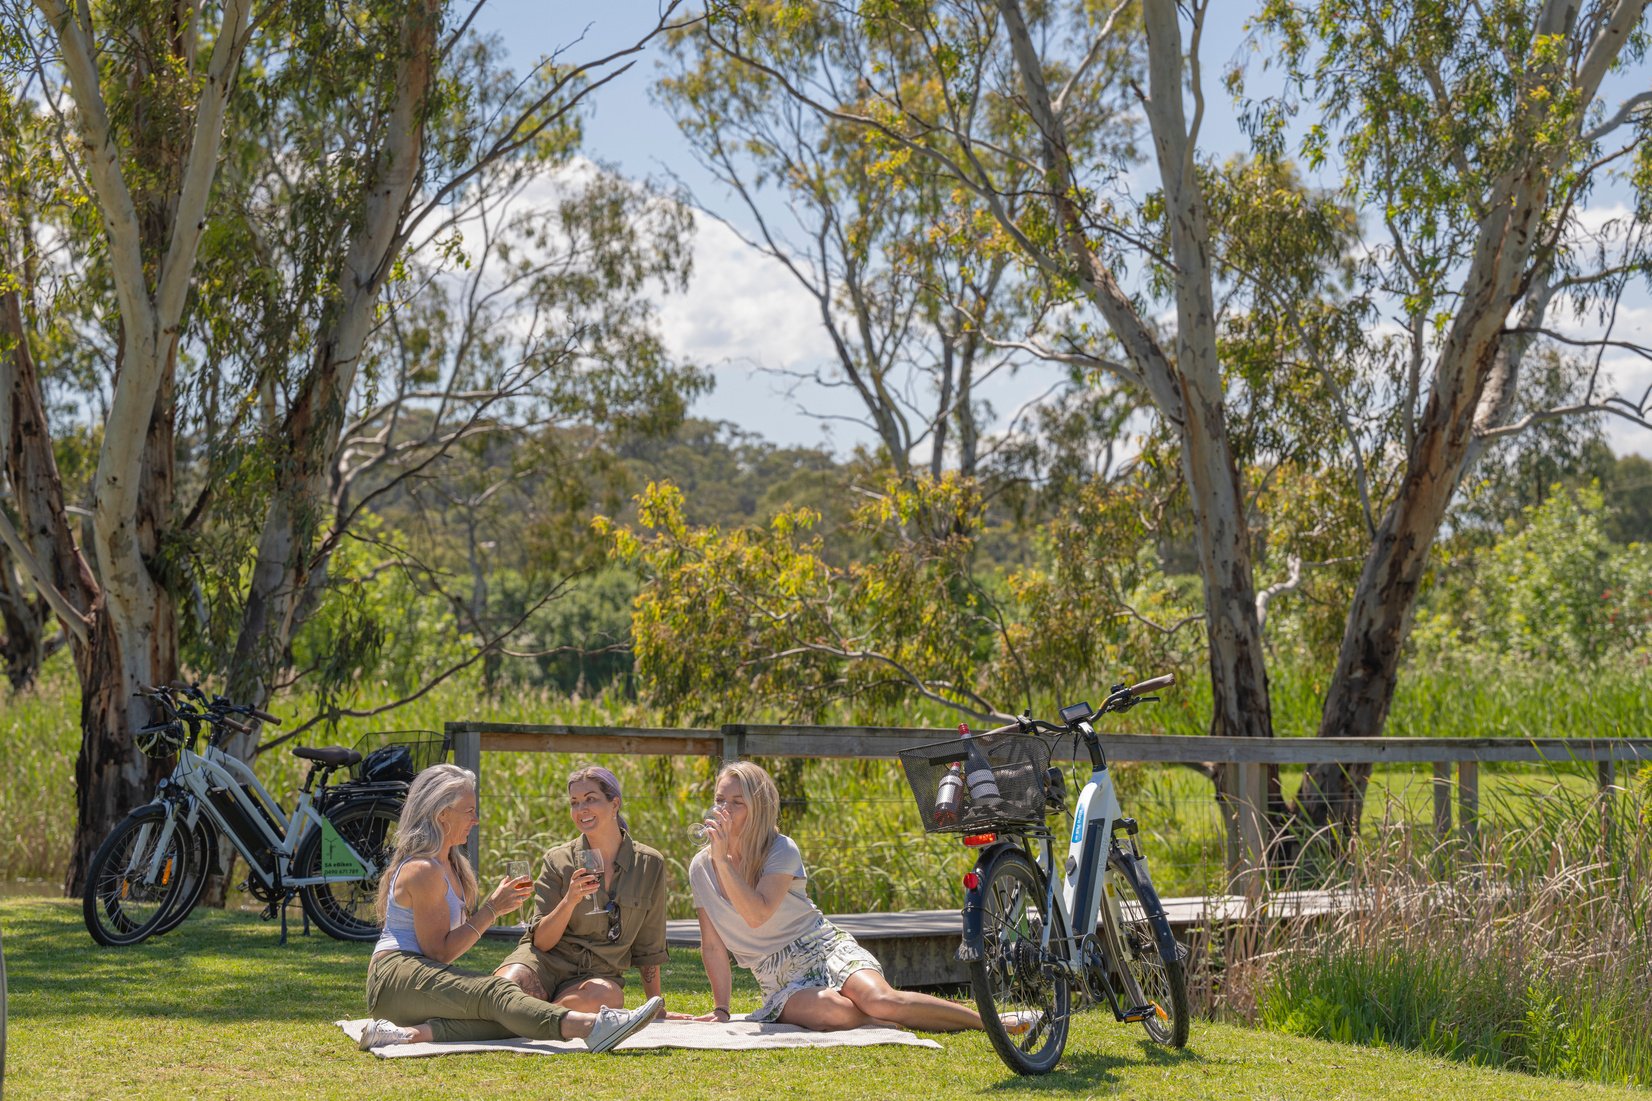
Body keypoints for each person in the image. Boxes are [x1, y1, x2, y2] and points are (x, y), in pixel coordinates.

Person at [688, 761, 1031, 1034]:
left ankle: (991, 1024)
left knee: (882, 999)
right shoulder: (701, 867)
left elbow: (757, 914)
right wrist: (721, 1009)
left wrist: (722, 860)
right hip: (774, 975)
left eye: (737, 802)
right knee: (830, 1011)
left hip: (821, 946)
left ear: (759, 808)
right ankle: (874, 1023)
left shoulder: (780, 849)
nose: (724, 810)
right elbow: (713, 945)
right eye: (720, 800)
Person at [357, 763, 662, 1051]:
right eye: (470, 811)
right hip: (396, 975)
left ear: (615, 804)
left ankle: (406, 1035)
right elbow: (440, 952)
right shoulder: (423, 869)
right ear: (443, 814)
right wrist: (492, 909)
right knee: (497, 996)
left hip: (418, 976)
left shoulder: (450, 864)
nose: (475, 820)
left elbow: (649, 944)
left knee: (503, 1009)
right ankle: (590, 1027)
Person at [493, 766, 670, 1014]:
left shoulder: (649, 864)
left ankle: (526, 1016)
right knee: (503, 987)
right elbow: (541, 942)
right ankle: (535, 1016)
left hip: (597, 977)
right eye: (574, 803)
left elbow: (649, 946)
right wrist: (570, 900)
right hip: (545, 964)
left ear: (614, 804)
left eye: (590, 799)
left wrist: (656, 1005)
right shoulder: (558, 861)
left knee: (606, 998)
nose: (581, 810)